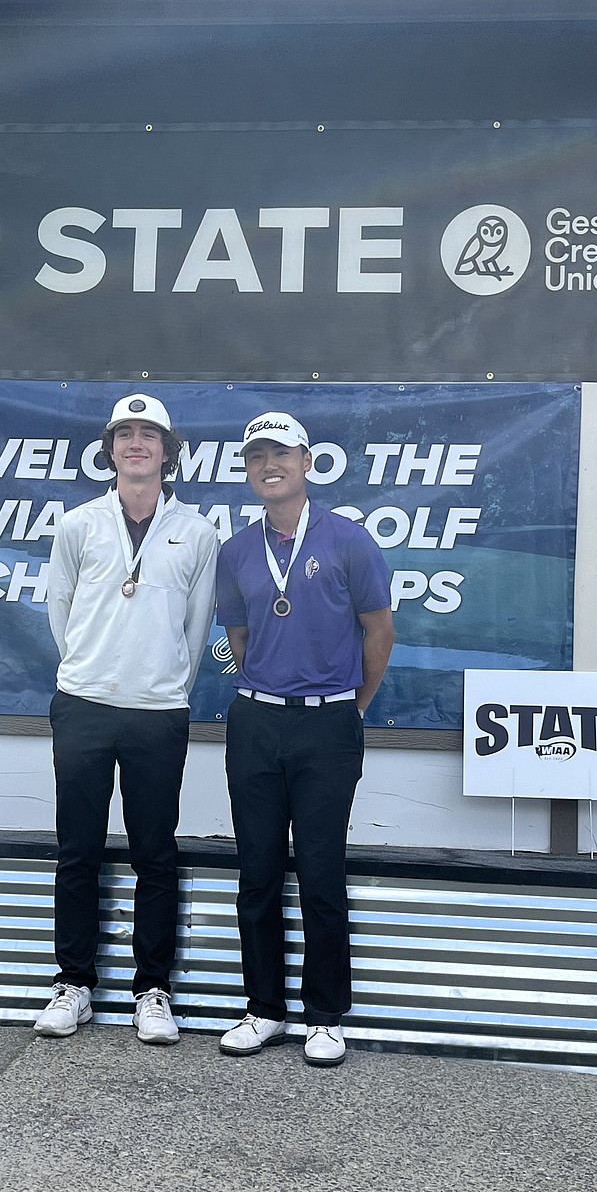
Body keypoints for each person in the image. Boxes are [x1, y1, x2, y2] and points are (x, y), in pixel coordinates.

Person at [36, 394, 220, 1046]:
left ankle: (153, 990)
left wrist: (161, 684)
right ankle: (74, 983)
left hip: (158, 713)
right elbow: (59, 608)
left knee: (155, 854)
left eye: (150, 434)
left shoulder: (196, 532)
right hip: (83, 704)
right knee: (77, 850)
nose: (137, 443)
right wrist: (88, 671)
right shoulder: (78, 523)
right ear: (110, 447)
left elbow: (197, 633)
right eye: (125, 434)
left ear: (169, 451)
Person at [215, 411, 394, 1067]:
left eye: (281, 452)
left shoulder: (349, 540)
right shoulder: (236, 551)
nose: (270, 463)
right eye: (257, 453)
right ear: (247, 467)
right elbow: (238, 638)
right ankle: (262, 1008)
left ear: (307, 462)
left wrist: (349, 706)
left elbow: (379, 631)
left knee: (320, 869)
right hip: (255, 721)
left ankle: (324, 1014)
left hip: (328, 724)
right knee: (257, 870)